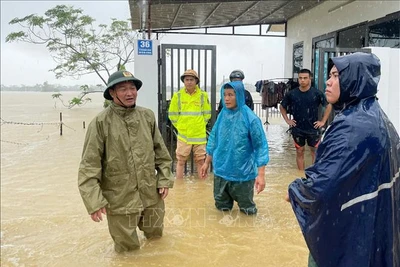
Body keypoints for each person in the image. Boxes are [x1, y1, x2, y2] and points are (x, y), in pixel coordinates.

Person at [286, 52, 400, 267]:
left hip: (347, 233)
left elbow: (322, 187)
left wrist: (295, 190)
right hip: (370, 229)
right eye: (330, 75)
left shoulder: (351, 126)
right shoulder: (377, 116)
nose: (328, 81)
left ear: (354, 80)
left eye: (336, 76)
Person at [78, 70, 174, 253]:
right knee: (127, 252)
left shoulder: (147, 116)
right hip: (119, 200)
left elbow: (161, 153)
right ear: (112, 93)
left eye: (132, 88)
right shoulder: (100, 123)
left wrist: (164, 179)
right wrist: (94, 201)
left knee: (157, 241)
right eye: (123, 89)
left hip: (151, 195)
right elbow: (89, 166)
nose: (129, 93)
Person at [200, 81, 269, 215]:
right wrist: (206, 162)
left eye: (231, 95)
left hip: (243, 176)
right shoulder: (222, 115)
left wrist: (261, 175)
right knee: (221, 211)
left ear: (239, 96)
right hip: (221, 174)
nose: (226, 98)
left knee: (247, 212)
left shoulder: (251, 119)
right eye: (225, 95)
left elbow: (260, 147)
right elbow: (214, 139)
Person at [279, 68, 332, 170]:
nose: (302, 80)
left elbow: (328, 105)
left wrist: (323, 121)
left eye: (305, 78)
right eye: (300, 78)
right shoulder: (292, 94)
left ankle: (314, 175)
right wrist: (287, 120)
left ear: (310, 79)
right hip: (298, 128)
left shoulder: (317, 93)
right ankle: (301, 175)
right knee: (299, 152)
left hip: (313, 128)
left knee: (315, 152)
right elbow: (282, 107)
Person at [168, 69, 211, 179]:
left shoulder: (203, 95)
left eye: (191, 79)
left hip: (199, 134)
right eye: (187, 79)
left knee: (200, 160)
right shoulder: (178, 96)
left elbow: (207, 114)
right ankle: (179, 185)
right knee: (181, 161)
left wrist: (199, 124)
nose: (189, 82)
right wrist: (181, 126)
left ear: (196, 81)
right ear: (183, 81)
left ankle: (202, 186)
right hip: (184, 134)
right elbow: (172, 114)